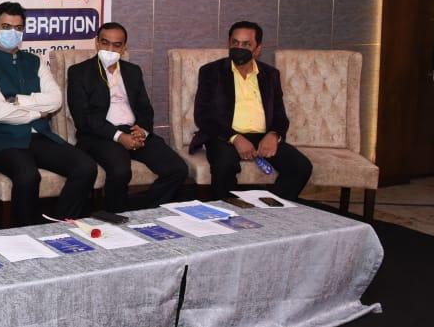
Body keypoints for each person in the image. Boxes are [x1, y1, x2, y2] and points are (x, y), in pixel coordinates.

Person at [0, 1, 97, 226]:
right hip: (3, 142)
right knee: (28, 176)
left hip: (40, 137)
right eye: (6, 26)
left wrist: (18, 101)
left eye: (18, 28)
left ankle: (60, 223)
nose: (12, 32)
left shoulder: (35, 61)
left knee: (85, 166)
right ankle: (28, 231)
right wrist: (38, 113)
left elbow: (55, 100)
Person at [67, 22, 187, 212]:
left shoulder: (133, 71)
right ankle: (115, 216)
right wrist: (119, 136)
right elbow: (84, 119)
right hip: (100, 135)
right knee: (120, 171)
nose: (110, 49)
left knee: (177, 169)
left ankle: (144, 211)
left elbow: (145, 108)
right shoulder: (79, 72)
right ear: (97, 43)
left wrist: (143, 131)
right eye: (105, 43)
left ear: (124, 48)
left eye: (116, 45)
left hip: (134, 130)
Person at [190, 20, 313, 200]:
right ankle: (229, 210)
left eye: (246, 44)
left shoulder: (270, 75)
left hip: (262, 136)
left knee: (300, 166)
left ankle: (268, 208)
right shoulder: (211, 72)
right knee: (224, 165)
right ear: (229, 44)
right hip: (225, 136)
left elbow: (280, 116)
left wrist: (273, 135)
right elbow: (203, 116)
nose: (239, 48)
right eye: (235, 43)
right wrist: (235, 138)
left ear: (257, 49)